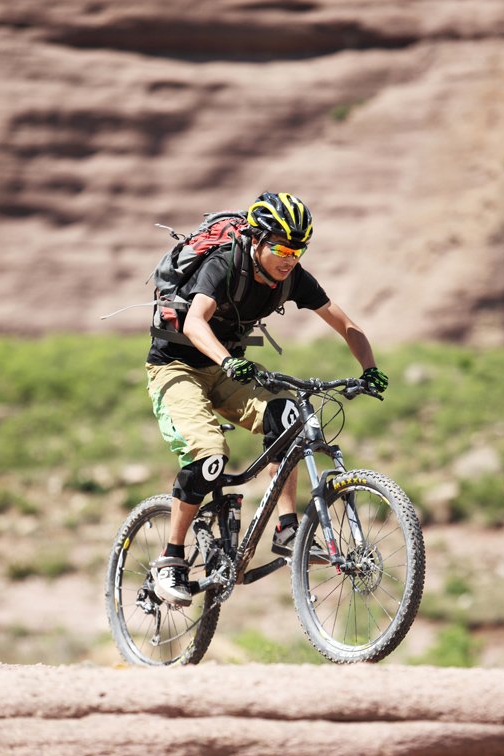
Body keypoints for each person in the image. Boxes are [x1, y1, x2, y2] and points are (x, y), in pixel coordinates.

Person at [145, 191, 388, 605]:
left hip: (226, 370)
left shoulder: (293, 278)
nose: (289, 257)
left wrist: (369, 368)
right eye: (281, 247)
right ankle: (170, 560)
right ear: (257, 240)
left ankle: (288, 528)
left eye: (298, 249)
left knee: (290, 416)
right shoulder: (224, 265)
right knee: (207, 456)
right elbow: (193, 323)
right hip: (176, 367)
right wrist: (227, 360)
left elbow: (346, 324)